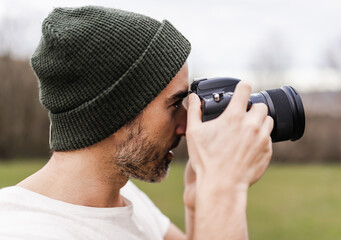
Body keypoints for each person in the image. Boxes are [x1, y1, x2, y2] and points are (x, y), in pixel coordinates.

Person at [0, 6, 273, 240]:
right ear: (114, 113)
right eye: (175, 104)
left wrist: (201, 200)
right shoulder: (24, 231)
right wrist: (224, 190)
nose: (186, 126)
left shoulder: (123, 196)